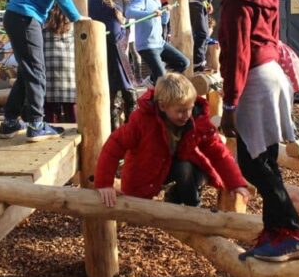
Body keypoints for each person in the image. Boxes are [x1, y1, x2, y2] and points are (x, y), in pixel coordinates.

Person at [219, 0, 299, 262]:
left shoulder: (235, 0)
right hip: (276, 75)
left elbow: (237, 54)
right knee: (264, 157)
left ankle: (294, 231)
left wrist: (230, 103)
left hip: (255, 80)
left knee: (254, 162)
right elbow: (272, 37)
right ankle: (276, 229)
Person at [95, 73, 250, 208]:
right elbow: (113, 146)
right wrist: (104, 184)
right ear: (162, 106)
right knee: (182, 169)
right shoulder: (142, 122)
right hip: (149, 169)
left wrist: (236, 183)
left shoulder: (197, 121)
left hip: (180, 166)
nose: (187, 115)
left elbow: (218, 152)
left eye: (189, 108)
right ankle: (178, 198)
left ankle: (190, 206)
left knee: (186, 168)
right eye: (180, 111)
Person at [2, 0, 81, 141]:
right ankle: (36, 123)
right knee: (37, 70)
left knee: (28, 70)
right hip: (25, 17)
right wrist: (76, 17)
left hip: (20, 16)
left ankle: (9, 121)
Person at [89, 0, 137, 128]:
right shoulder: (108, 7)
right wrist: (123, 25)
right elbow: (116, 35)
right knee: (129, 98)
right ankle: (128, 135)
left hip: (104, 56)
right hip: (115, 58)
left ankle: (115, 133)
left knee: (113, 98)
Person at [126, 0, 188, 82]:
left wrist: (166, 11)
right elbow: (129, 12)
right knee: (162, 77)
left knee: (184, 62)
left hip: (160, 43)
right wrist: (151, 13)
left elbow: (163, 22)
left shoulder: (157, 0)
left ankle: (153, 79)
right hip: (147, 46)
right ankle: (159, 82)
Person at [42, 1, 76, 124]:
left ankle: (48, 130)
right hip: (69, 74)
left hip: (48, 73)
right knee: (71, 111)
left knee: (49, 111)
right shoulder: (73, 22)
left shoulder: (43, 21)